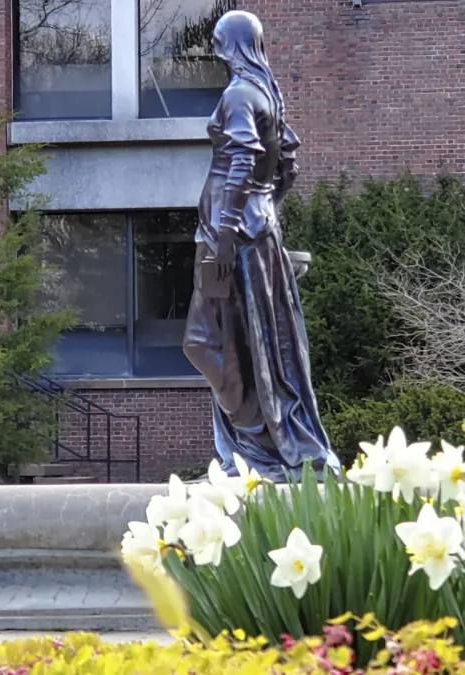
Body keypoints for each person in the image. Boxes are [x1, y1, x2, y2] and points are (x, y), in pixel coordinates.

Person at [183, 10, 341, 481]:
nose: (213, 50)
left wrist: (229, 229)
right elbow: (286, 159)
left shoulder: (238, 95)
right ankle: (246, 447)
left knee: (203, 340)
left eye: (217, 42)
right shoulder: (268, 92)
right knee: (249, 340)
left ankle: (251, 438)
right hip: (252, 232)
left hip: (224, 241)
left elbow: (246, 157)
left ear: (232, 45)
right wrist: (265, 204)